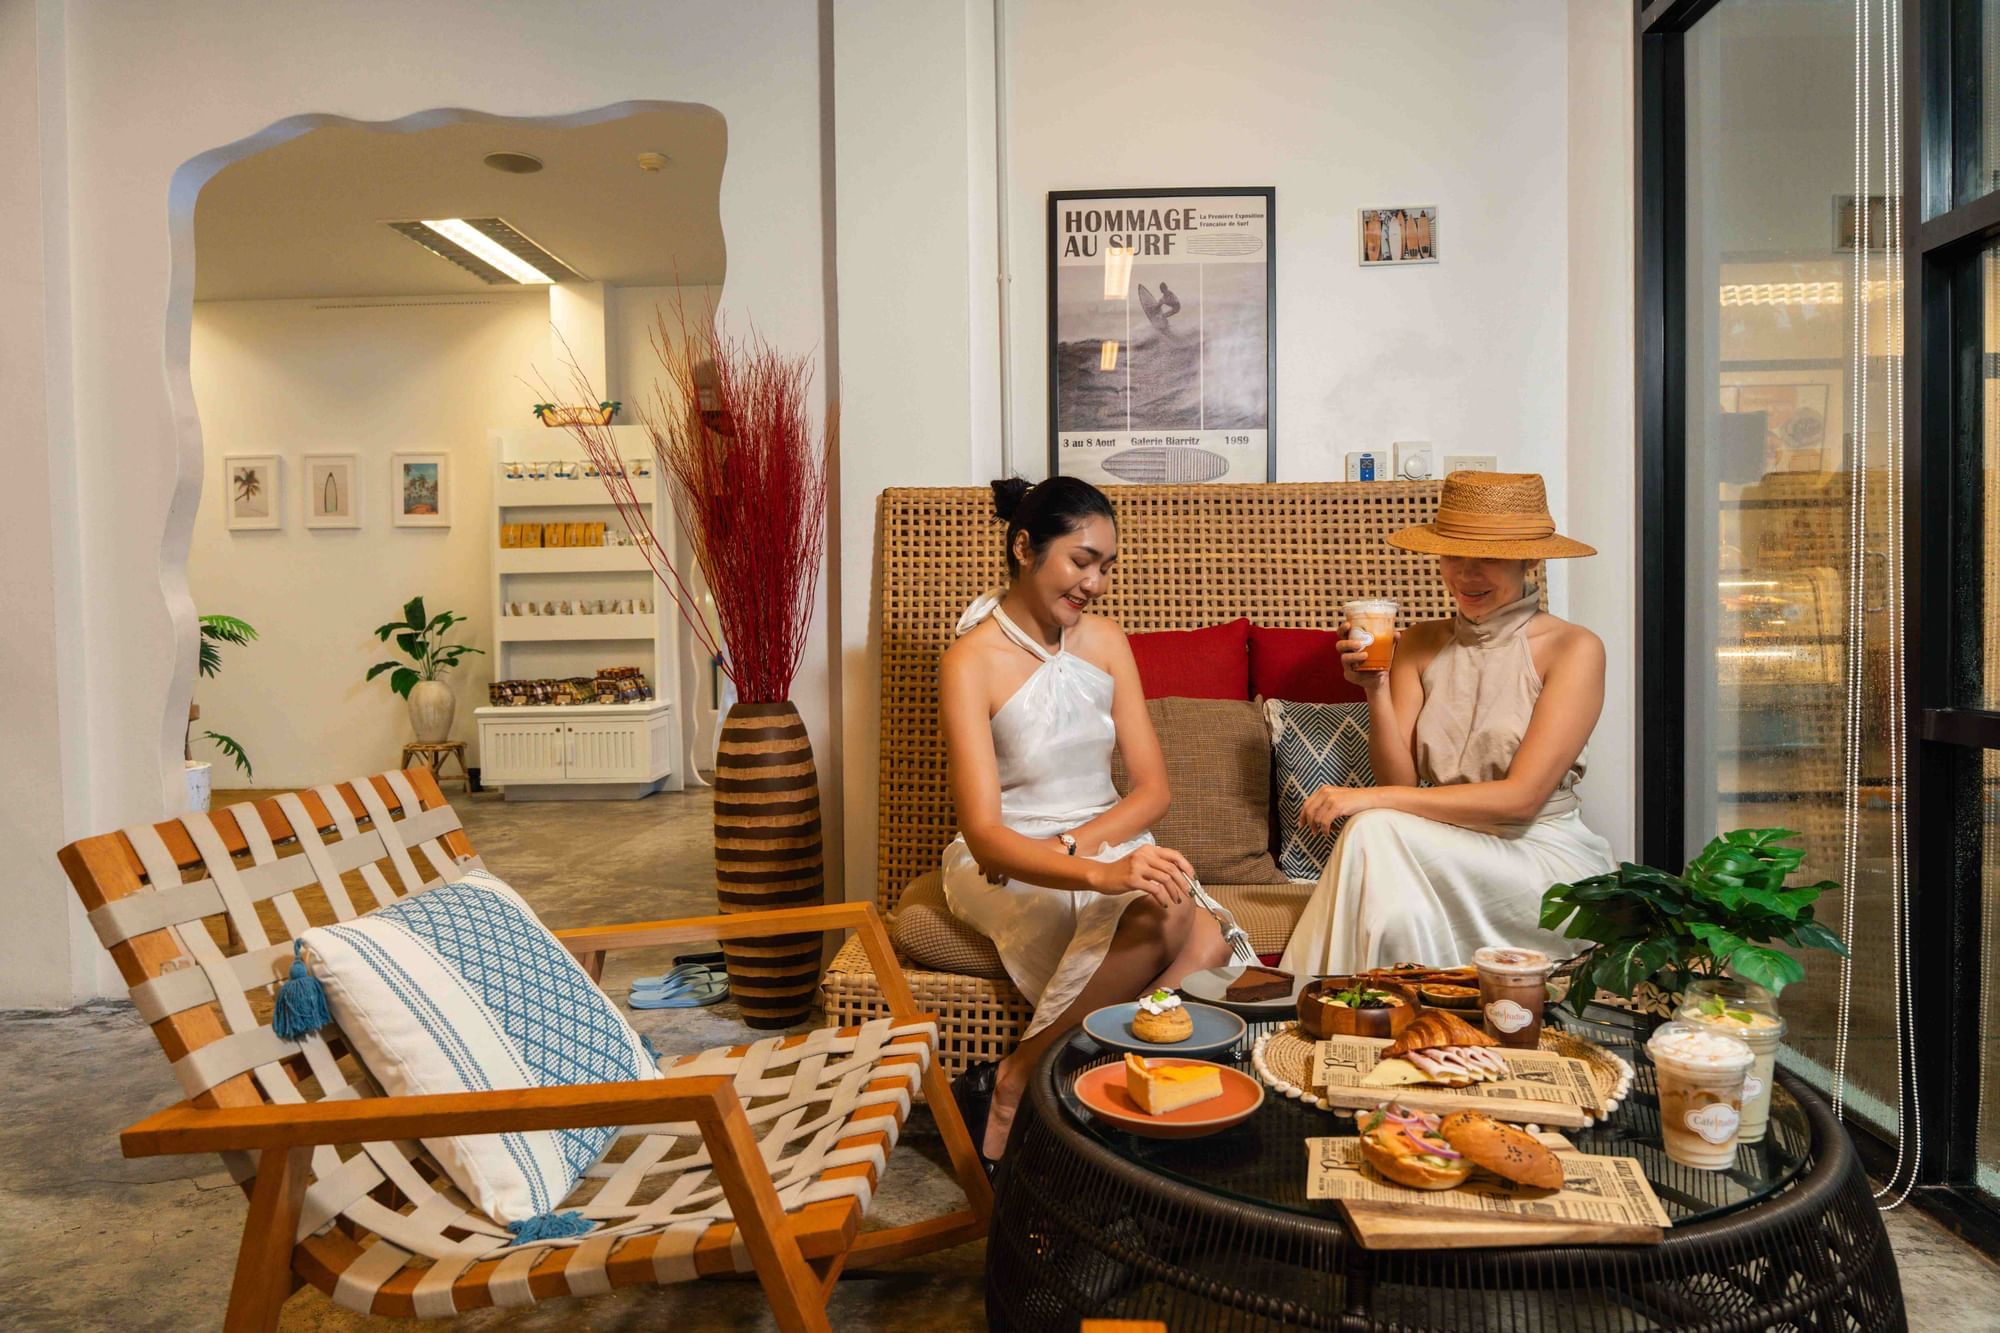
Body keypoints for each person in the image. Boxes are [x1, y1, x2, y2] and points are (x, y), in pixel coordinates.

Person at [942, 476, 1228, 1165]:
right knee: (1171, 918)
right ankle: (1036, 1096)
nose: (1096, 583)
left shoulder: (1105, 642)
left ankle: (1033, 1080)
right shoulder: (969, 662)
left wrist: (1082, 847)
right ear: (1024, 548)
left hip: (1097, 837)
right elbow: (985, 836)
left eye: (1106, 566)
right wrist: (1097, 873)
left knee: (1209, 938)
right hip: (1003, 858)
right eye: (1082, 560)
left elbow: (1152, 791)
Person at [1278, 470, 1618, 975]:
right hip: (1439, 848)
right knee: (1397, 908)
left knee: (1374, 826)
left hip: (1542, 860)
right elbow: (1399, 780)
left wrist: (1367, 799)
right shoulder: (1419, 641)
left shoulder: (1574, 648)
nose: (1466, 574)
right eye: (1453, 555)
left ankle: (1305, 996)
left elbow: (1521, 801)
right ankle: (1393, 1006)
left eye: (1489, 557)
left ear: (1531, 559)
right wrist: (1374, 688)